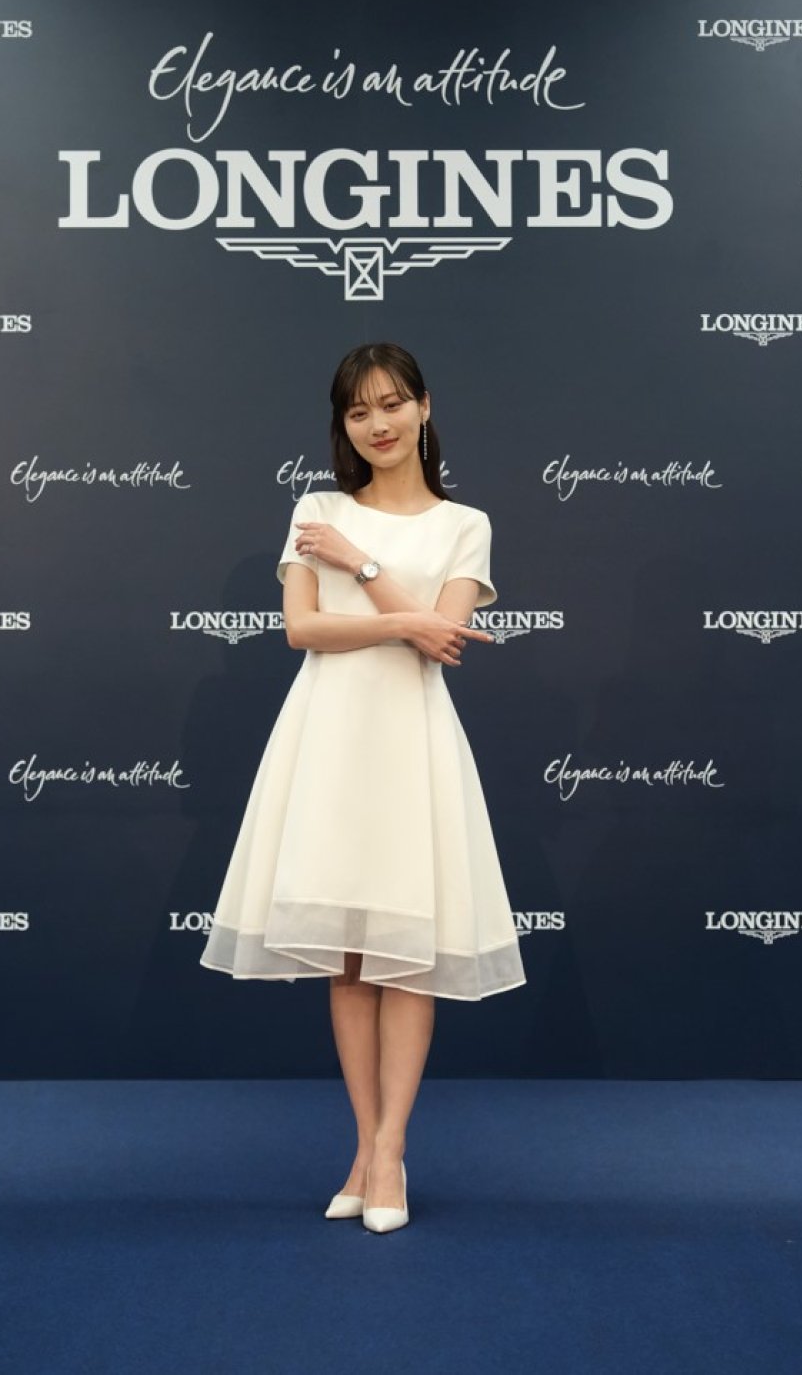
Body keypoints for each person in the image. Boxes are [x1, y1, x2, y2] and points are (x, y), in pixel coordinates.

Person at [200, 341, 526, 1232]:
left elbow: (441, 641)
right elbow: (302, 630)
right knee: (346, 958)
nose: (376, 424)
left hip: (410, 740)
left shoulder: (465, 525)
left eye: (390, 404)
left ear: (424, 406)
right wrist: (396, 607)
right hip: (328, 737)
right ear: (342, 425)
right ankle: (364, 1146)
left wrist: (367, 569)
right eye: (357, 411)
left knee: (406, 952)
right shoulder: (316, 511)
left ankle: (389, 1154)